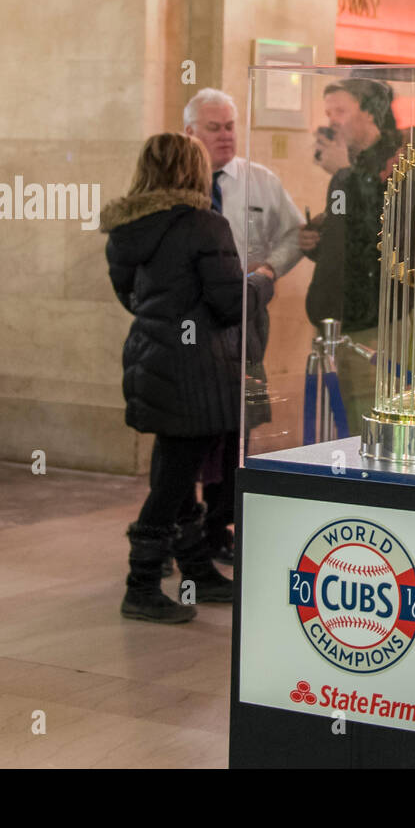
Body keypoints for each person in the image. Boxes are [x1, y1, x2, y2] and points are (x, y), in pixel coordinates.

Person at [103, 133, 274, 623]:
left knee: (175, 462)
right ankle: (141, 584)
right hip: (197, 368)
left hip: (152, 358)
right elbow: (228, 304)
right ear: (192, 171)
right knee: (176, 475)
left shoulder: (127, 228)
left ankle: (197, 571)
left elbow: (133, 299)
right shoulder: (205, 225)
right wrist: (260, 283)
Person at [183, 88, 303, 563]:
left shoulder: (259, 181)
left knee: (237, 424)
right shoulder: (177, 187)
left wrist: (268, 271)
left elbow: (294, 232)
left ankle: (220, 524)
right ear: (190, 131)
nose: (226, 135)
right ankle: (185, 528)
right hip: (189, 329)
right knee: (191, 429)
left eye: (231, 125)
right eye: (214, 127)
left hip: (242, 324)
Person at [301, 78, 408, 434]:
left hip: (373, 323)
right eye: (328, 112)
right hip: (339, 320)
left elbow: (381, 237)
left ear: (369, 113)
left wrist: (342, 174)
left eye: (341, 111)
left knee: (370, 428)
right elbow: (348, 233)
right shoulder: (353, 168)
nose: (332, 121)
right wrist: (318, 240)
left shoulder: (397, 161)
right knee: (341, 424)